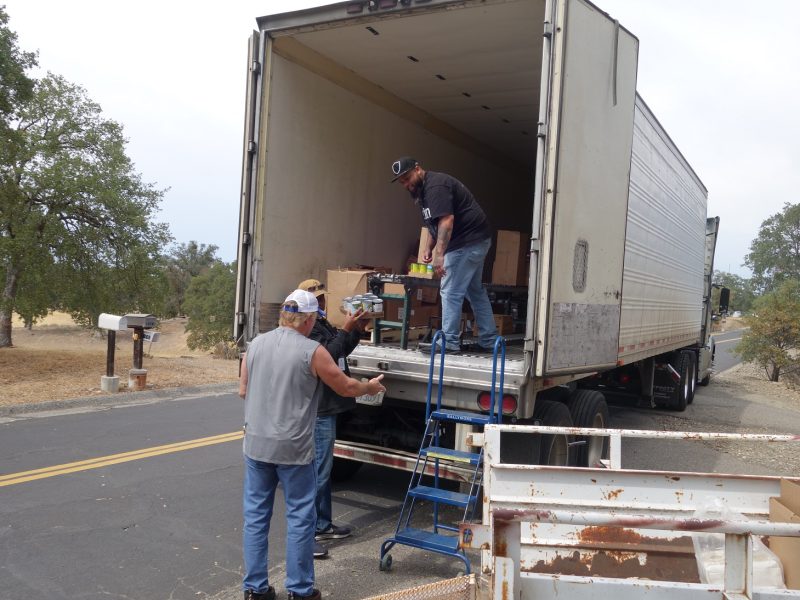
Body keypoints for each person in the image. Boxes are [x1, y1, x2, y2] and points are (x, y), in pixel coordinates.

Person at [238, 289, 385, 600]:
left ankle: (256, 589)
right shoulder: (312, 351)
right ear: (307, 319)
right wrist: (369, 386)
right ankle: (301, 590)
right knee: (300, 518)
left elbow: (243, 390)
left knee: (255, 518)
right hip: (293, 448)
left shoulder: (254, 345)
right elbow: (345, 387)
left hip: (256, 445)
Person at [391, 156, 498, 353]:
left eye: (407, 178)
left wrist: (439, 255)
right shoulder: (422, 191)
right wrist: (428, 247)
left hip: (466, 242)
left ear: (418, 169)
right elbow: (434, 222)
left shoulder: (435, 187)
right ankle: (489, 340)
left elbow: (447, 221)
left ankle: (449, 342)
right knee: (475, 292)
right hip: (476, 241)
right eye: (402, 182)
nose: (406, 184)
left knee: (450, 291)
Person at [297, 278, 366, 559]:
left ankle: (323, 524)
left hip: (329, 406)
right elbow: (329, 355)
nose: (322, 302)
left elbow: (342, 350)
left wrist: (356, 329)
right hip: (321, 409)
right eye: (318, 298)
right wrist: (346, 329)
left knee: (323, 474)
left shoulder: (320, 325)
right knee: (318, 474)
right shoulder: (308, 330)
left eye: (323, 297)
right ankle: (308, 534)